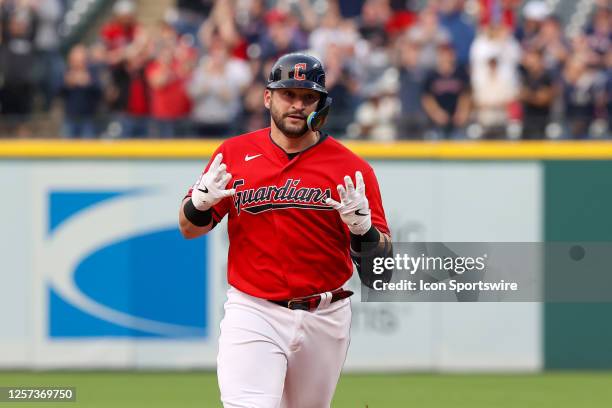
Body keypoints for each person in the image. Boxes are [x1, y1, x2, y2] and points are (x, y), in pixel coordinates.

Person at [178, 53, 392, 407]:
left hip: (326, 314)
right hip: (254, 309)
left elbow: (380, 275)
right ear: (267, 97)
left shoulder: (352, 169)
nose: (297, 104)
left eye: (308, 97)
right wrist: (197, 205)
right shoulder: (233, 154)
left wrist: (363, 231)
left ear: (321, 104)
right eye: (287, 94)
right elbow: (188, 229)